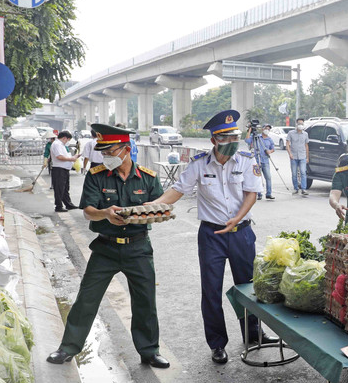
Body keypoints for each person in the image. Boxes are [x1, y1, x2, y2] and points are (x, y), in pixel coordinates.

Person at [153, 110, 278, 364]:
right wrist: (152, 205)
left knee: (249, 287)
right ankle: (217, 344)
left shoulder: (245, 160)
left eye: (235, 137)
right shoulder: (199, 164)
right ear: (214, 141)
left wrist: (237, 217)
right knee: (211, 290)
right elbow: (178, 190)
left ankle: (254, 334)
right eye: (226, 139)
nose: (232, 143)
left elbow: (251, 194)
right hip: (211, 235)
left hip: (241, 233)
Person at [46, 124, 169, 368]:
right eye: (103, 153)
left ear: (126, 149)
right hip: (106, 248)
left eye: (110, 152)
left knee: (145, 301)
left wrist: (154, 213)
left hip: (138, 248)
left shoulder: (148, 177)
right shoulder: (96, 175)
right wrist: (105, 213)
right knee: (87, 299)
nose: (106, 157)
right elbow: (88, 211)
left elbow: (161, 205)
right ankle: (68, 347)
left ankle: (149, 351)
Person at [50, 131, 79, 212]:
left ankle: (68, 204)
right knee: (59, 189)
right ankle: (58, 206)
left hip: (64, 169)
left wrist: (73, 157)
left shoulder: (61, 145)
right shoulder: (57, 144)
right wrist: (72, 159)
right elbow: (59, 157)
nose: (67, 142)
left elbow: (64, 156)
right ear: (64, 138)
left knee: (65, 188)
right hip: (59, 169)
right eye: (68, 140)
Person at [247, 121, 275, 200]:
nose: (267, 130)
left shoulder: (269, 139)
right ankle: (259, 193)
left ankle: (269, 193)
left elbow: (273, 149)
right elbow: (247, 140)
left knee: (268, 177)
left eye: (269, 129)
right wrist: (250, 130)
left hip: (265, 160)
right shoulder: (257, 137)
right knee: (258, 178)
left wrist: (270, 151)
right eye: (266, 128)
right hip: (256, 160)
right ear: (262, 129)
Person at [285, 117, 309, 196]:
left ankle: (304, 189)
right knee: (294, 174)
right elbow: (287, 144)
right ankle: (296, 188)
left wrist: (307, 157)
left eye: (302, 124)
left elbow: (306, 146)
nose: (300, 125)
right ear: (296, 124)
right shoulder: (291, 133)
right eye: (299, 124)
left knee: (303, 172)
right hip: (293, 157)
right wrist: (290, 154)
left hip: (302, 156)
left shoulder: (305, 134)